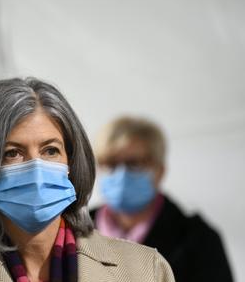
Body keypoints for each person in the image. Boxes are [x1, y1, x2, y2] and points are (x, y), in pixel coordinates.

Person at [0, 77, 174, 282]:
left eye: (50, 150)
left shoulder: (144, 270)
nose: (37, 169)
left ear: (71, 161)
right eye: (12, 153)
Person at [91, 116, 233, 282]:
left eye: (134, 163)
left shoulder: (199, 239)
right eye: (110, 163)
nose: (121, 175)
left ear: (159, 171)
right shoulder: (71, 231)